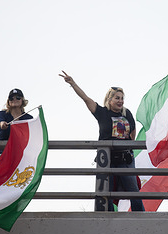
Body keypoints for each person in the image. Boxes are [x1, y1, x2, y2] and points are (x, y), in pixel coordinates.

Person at [59, 71, 144, 212]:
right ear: (109, 99)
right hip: (107, 159)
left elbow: (132, 132)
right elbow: (86, 99)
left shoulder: (126, 113)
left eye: (122, 98)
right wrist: (73, 84)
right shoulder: (102, 112)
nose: (120, 101)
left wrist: (127, 147)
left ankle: (140, 216)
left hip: (125, 159)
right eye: (117, 98)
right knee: (106, 193)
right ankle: (108, 217)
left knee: (133, 189)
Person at [0, 88, 33, 165]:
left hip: (20, 155)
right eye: (11, 98)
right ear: (8, 101)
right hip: (1, 154)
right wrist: (2, 124)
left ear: (22, 100)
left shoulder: (28, 118)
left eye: (18, 98)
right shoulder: (2, 114)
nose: (14, 99)